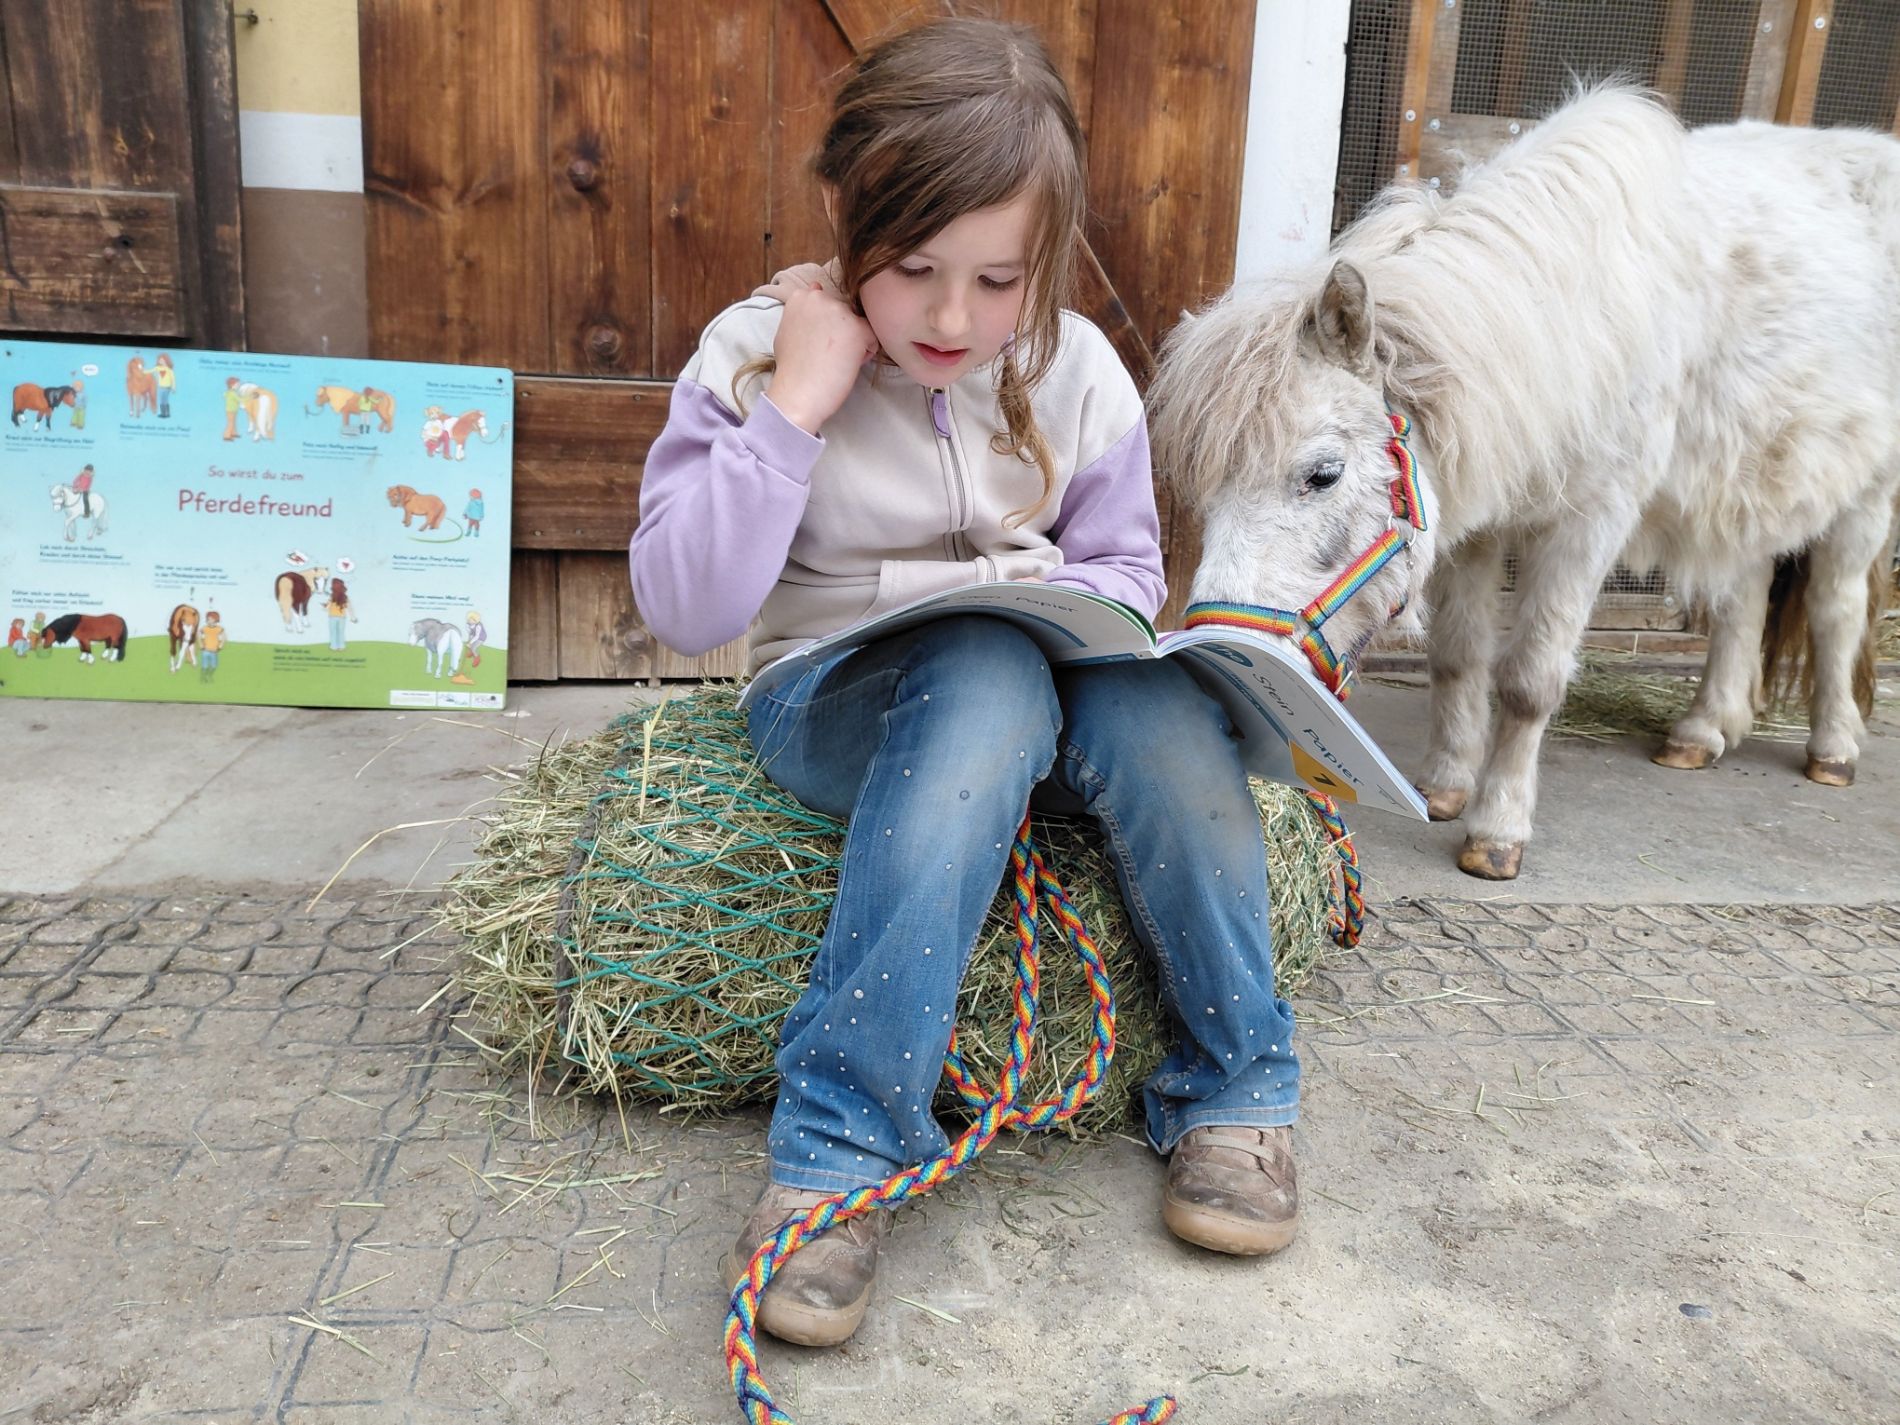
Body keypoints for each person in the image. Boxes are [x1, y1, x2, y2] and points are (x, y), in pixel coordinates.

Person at [628, 16, 1302, 1351]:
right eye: (912, 268)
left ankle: (1239, 1088)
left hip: (1043, 686)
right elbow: (686, 603)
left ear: (1045, 258)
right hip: (839, 699)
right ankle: (833, 1154)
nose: (952, 318)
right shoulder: (757, 354)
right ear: (844, 218)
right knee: (984, 671)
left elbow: (1120, 564)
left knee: (1157, 704)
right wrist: (798, 410)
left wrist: (1084, 617)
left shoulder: (1078, 370)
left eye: (998, 280)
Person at [326, 580, 358, 651]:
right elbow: (350, 608)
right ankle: (341, 646)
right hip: (341, 617)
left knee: (333, 632)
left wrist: (324, 606)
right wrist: (353, 618)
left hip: (332, 617)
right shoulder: (344, 597)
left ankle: (333, 646)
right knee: (341, 632)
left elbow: (327, 606)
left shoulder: (332, 596)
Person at [199, 611, 224, 682]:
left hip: (214, 651)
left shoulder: (219, 629)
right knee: (205, 666)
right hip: (205, 650)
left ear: (215, 619)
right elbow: (198, 635)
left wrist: (220, 647)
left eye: (210, 619)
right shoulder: (204, 628)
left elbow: (224, 638)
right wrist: (201, 645)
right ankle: (203, 677)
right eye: (207, 619)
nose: (208, 620)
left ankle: (209, 675)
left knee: (214, 666)